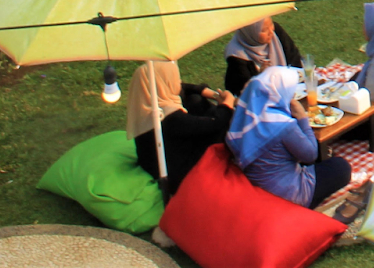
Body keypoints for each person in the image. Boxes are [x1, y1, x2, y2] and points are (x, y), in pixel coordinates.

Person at [226, 67, 351, 208]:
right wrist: (302, 118)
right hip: (291, 196)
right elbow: (310, 154)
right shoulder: (282, 124)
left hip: (258, 192)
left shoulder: (238, 121)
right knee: (341, 167)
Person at [129, 61, 236, 195]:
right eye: (174, 78)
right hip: (178, 177)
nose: (178, 81)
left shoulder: (145, 106)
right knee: (220, 123)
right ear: (164, 83)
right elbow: (215, 122)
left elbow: (183, 87)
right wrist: (228, 103)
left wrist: (208, 93)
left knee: (193, 100)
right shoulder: (171, 118)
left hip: (157, 162)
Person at [224, 17, 301, 96]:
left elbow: (294, 58)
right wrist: (262, 76)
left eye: (271, 24)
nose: (271, 31)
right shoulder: (236, 56)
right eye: (264, 30)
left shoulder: (276, 32)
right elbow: (244, 93)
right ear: (251, 33)